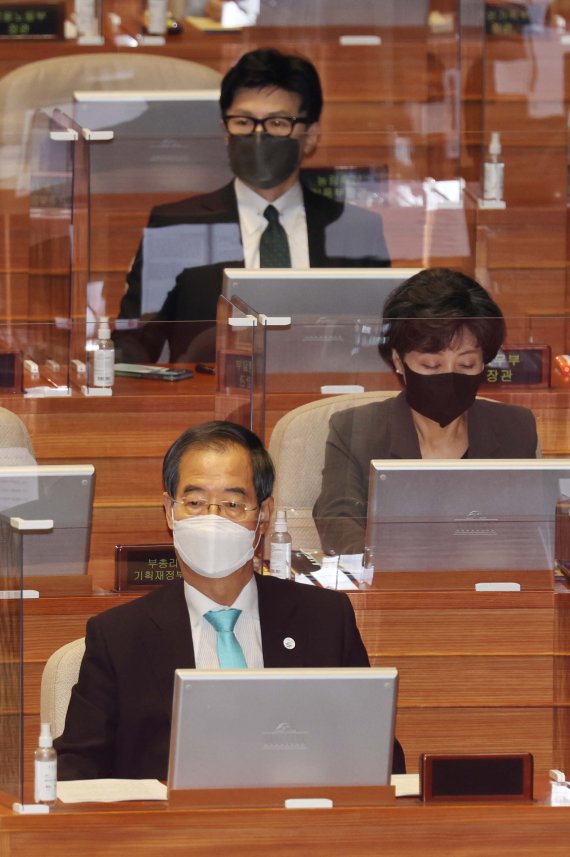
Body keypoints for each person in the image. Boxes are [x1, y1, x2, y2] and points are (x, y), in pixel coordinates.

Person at [54, 420, 405, 779]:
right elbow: (76, 770)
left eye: (233, 503)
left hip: (296, 823)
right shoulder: (119, 636)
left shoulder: (325, 620)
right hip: (168, 830)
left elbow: (379, 755)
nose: (212, 518)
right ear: (169, 512)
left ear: (264, 515)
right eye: (194, 502)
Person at [115, 47, 390, 363]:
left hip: (325, 404)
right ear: (225, 133)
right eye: (244, 121)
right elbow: (132, 348)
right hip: (207, 403)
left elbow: (382, 345)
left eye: (277, 122)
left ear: (311, 135)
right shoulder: (177, 225)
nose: (258, 135)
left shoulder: (356, 229)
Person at [313, 268, 539, 555]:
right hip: (392, 589)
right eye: (431, 366)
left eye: (466, 365)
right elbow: (337, 524)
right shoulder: (356, 429)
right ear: (398, 361)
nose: (449, 376)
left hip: (485, 586)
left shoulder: (514, 428)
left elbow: (531, 531)